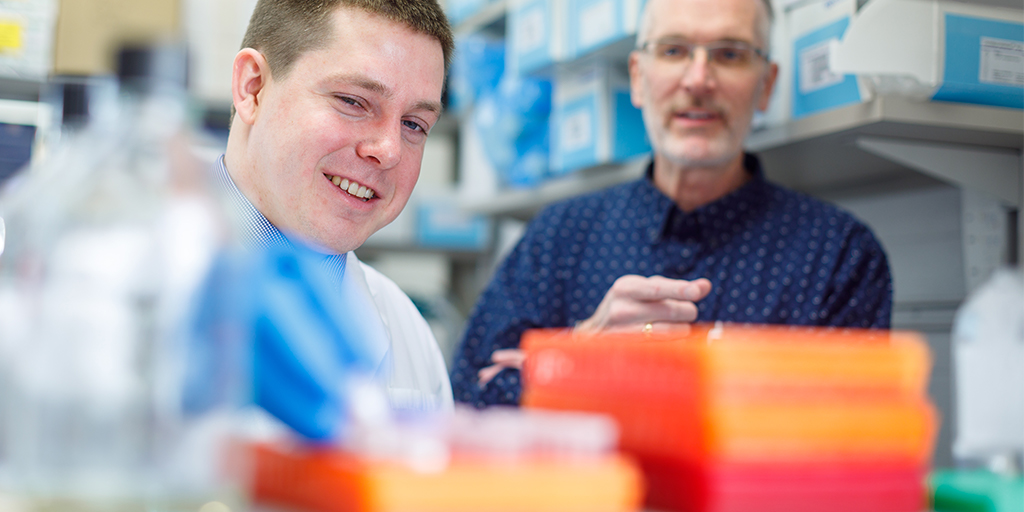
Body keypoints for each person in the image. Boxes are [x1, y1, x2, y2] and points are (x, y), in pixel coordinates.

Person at [450, 0, 893, 407]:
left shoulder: (839, 256)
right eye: (674, 50)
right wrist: (579, 358)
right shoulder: (559, 238)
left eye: (730, 54)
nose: (698, 79)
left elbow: (851, 440)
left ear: (765, 86)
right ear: (639, 78)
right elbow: (470, 394)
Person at [216, 0, 456, 418]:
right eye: (353, 101)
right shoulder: (109, 287)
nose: (389, 151)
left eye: (414, 124)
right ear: (252, 88)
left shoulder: (406, 331)